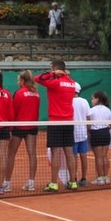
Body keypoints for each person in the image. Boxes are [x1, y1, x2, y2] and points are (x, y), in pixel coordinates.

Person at [36, 59, 78, 192]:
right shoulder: (72, 83)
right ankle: (73, 182)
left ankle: (54, 183)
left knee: (56, 152)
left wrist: (53, 74)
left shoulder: (55, 83)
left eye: (51, 68)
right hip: (69, 121)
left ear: (55, 68)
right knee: (69, 152)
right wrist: (62, 74)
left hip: (55, 121)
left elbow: (38, 78)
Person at [7, 70, 40, 191]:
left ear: (22, 81)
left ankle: (7, 183)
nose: (17, 82)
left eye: (18, 80)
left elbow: (13, 111)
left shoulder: (19, 93)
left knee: (10, 154)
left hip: (19, 127)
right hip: (32, 127)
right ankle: (31, 183)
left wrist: (10, 128)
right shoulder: (36, 93)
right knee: (32, 154)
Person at [88, 91, 111, 184]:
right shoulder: (107, 110)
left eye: (93, 98)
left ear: (97, 99)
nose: (92, 100)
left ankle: (100, 178)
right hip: (106, 133)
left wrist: (90, 130)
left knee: (98, 157)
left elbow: (88, 125)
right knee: (104, 156)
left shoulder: (91, 110)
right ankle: (106, 177)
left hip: (96, 134)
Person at [71, 82, 91, 186]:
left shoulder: (68, 101)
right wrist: (88, 129)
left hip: (72, 133)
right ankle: (83, 178)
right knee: (83, 155)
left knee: (73, 156)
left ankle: (73, 178)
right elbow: (88, 117)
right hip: (83, 133)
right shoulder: (84, 101)